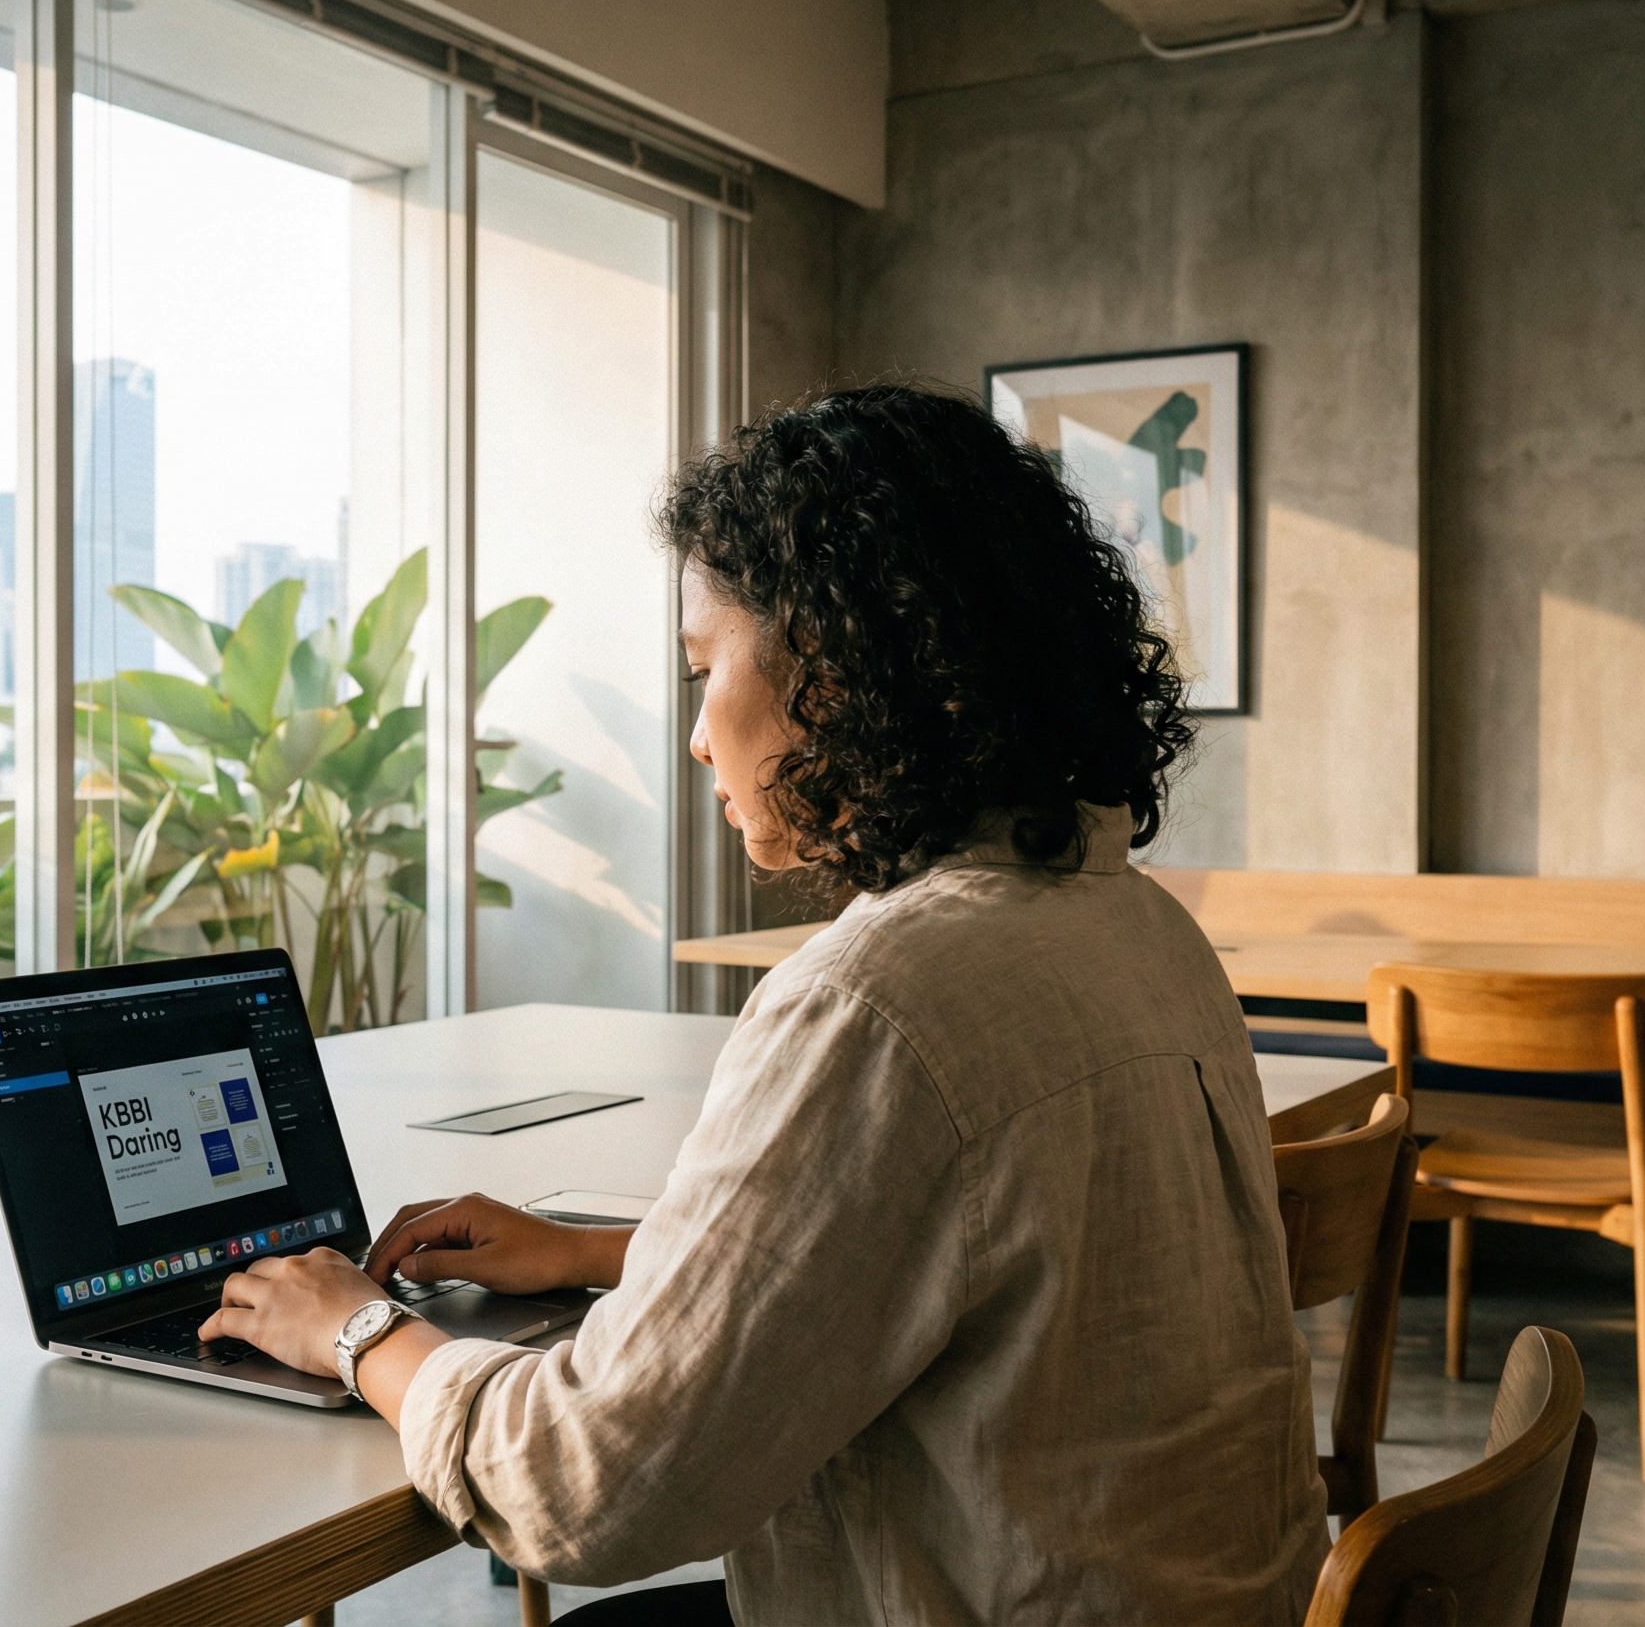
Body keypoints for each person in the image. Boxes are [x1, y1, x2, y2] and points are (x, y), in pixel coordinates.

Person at [200, 384, 1330, 1624]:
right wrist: (606, 1254)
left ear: (841, 668)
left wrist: (357, 1330)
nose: (695, 736)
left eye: (705, 666)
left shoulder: (878, 997)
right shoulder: (1137, 923)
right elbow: (971, 1245)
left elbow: (592, 1488)